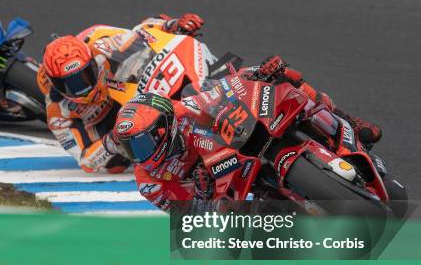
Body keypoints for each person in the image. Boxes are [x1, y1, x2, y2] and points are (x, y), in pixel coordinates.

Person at [114, 57, 382, 212]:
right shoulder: (148, 181)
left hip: (235, 148)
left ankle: (349, 122)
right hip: (227, 194)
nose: (140, 154)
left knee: (286, 80)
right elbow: (185, 217)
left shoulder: (181, 110)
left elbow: (219, 92)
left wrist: (255, 74)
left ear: (164, 127)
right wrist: (200, 194)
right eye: (131, 148)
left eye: (142, 142)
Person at [36, 13, 205, 173]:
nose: (82, 86)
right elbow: (85, 160)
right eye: (71, 84)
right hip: (106, 127)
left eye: (85, 75)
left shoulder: (102, 43)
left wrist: (172, 25)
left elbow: (142, 31)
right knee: (115, 165)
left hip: (125, 89)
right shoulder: (56, 111)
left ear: (92, 62)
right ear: (55, 84)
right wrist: (114, 138)